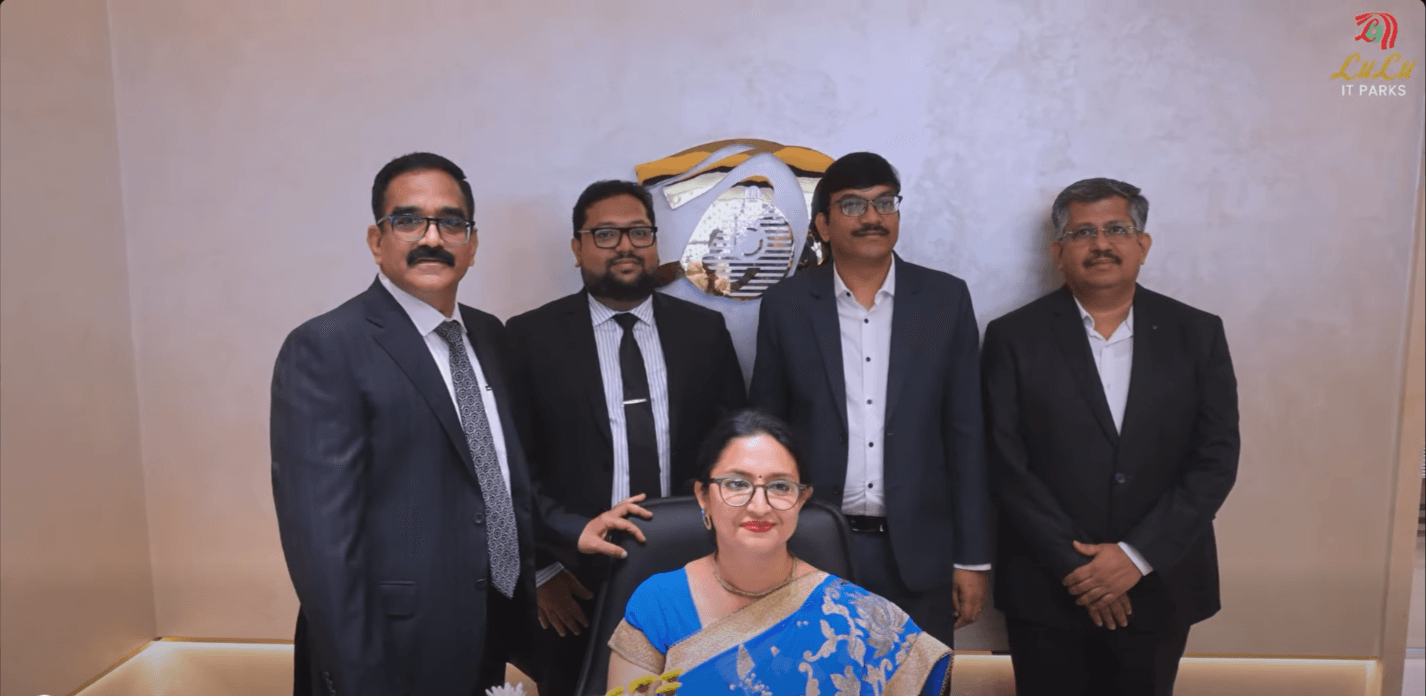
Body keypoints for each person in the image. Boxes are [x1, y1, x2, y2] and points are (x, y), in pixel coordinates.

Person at [270, 152, 537, 695]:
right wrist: (362, 677)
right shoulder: (327, 346)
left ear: (472, 244)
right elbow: (323, 544)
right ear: (377, 240)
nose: (432, 238)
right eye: (410, 220)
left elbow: (495, 476)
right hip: (386, 653)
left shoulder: (490, 335)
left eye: (451, 222)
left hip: (487, 629)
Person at [981, 178, 1239, 696]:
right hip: (1047, 585)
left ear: (1142, 244)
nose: (1101, 244)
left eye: (1116, 229)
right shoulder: (1013, 336)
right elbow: (1005, 462)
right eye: (1083, 232)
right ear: (1059, 252)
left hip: (1159, 583)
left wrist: (1135, 557)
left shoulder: (1197, 333)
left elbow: (1215, 458)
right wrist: (1080, 567)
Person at [505, 179, 747, 694]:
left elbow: (735, 452)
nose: (625, 246)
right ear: (577, 248)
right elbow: (511, 465)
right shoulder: (528, 338)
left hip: (692, 570)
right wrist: (542, 569)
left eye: (639, 232)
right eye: (605, 234)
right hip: (574, 578)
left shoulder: (704, 332)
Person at [748, 152, 991, 645]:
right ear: (823, 224)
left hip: (920, 554)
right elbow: (766, 435)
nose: (873, 217)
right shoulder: (787, 305)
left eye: (885, 202)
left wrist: (972, 558)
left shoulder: (945, 300)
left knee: (918, 679)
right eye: (853, 205)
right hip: (812, 546)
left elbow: (967, 434)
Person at [607, 409, 951, 694]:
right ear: (703, 496)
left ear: (802, 498)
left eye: (780, 486)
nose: (760, 506)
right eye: (737, 484)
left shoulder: (858, 617)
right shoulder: (658, 603)